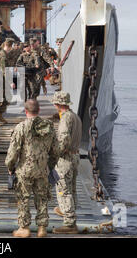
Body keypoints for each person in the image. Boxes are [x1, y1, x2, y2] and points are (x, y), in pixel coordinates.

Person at [5, 99, 59, 238]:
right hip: (42, 169)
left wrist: (10, 167)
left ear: (26, 111)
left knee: (23, 198)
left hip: (24, 170)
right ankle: (42, 228)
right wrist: (50, 166)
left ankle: (24, 228)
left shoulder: (21, 128)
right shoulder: (49, 127)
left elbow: (13, 152)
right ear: (39, 111)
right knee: (42, 198)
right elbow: (55, 151)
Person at [51, 91, 82, 234]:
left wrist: (54, 154)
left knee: (63, 190)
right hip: (75, 157)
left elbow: (63, 141)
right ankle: (67, 210)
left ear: (58, 104)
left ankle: (69, 223)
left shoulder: (65, 118)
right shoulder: (75, 117)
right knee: (72, 187)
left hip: (65, 159)